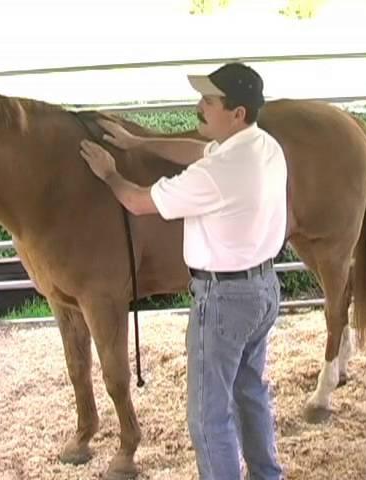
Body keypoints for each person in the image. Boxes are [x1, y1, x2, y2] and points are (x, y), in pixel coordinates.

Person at [80, 63, 286, 480]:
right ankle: (267, 475)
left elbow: (138, 202)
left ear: (237, 113)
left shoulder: (215, 176)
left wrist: (109, 173)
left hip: (224, 300)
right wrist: (141, 142)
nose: (199, 106)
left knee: (208, 416)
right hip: (263, 289)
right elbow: (198, 150)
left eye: (209, 101)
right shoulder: (262, 145)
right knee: (250, 392)